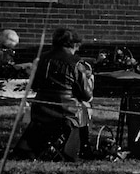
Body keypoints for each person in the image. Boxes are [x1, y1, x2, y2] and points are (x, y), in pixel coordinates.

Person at [16, 28, 94, 161]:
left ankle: (32, 148)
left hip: (40, 109)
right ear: (74, 45)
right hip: (67, 111)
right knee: (85, 108)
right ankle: (83, 148)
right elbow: (86, 95)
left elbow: (34, 85)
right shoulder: (77, 64)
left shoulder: (41, 60)